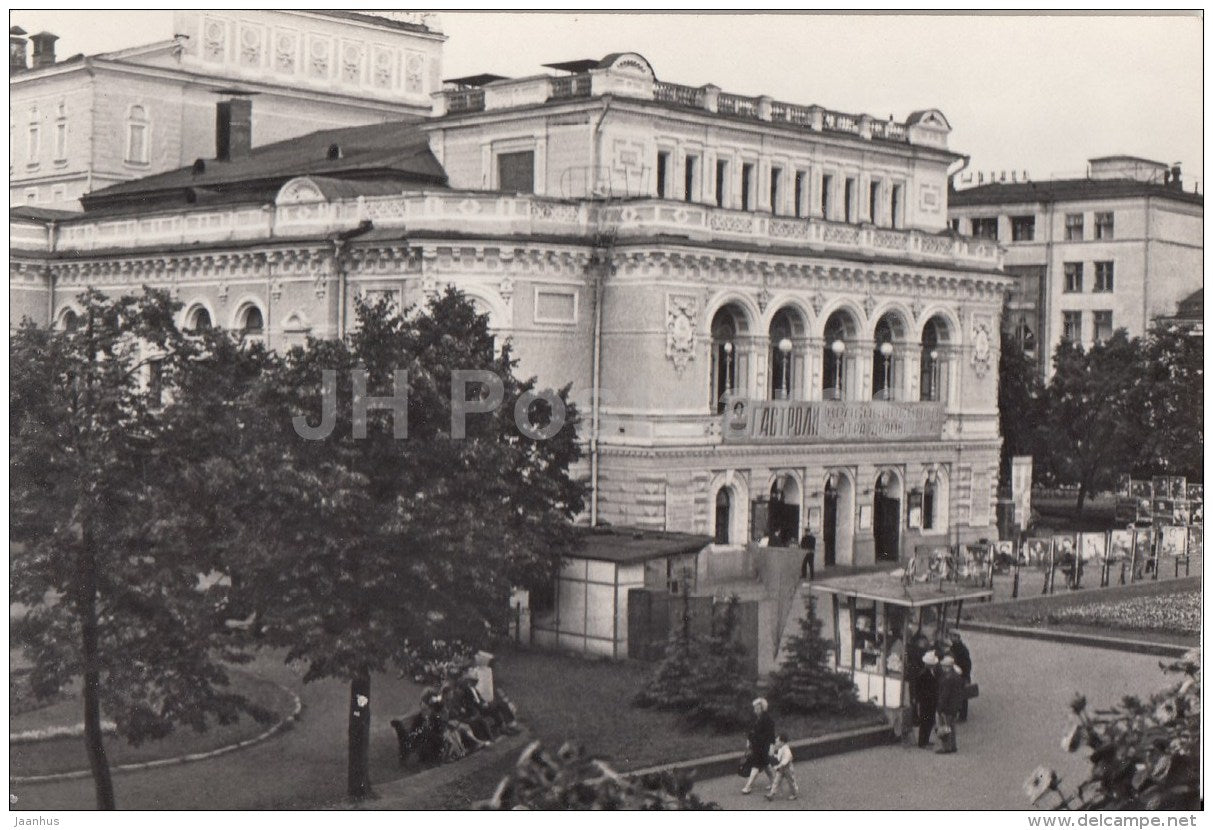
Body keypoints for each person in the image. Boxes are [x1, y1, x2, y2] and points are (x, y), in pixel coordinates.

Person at [741, 697, 776, 794]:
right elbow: (751, 731)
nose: (755, 710)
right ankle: (774, 782)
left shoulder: (768, 719)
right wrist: (748, 740)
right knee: (765, 765)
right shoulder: (756, 718)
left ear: (762, 708)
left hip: (763, 746)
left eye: (757, 708)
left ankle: (748, 786)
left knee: (756, 766)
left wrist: (772, 747)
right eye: (754, 708)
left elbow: (771, 735)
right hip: (756, 746)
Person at [935, 654, 965, 754]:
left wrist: (939, 708)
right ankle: (953, 746)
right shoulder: (957, 676)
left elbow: (944, 695)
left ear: (947, 667)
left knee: (945, 727)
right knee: (952, 726)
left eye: (944, 666)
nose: (942, 667)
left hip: (947, 707)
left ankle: (946, 748)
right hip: (955, 706)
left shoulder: (947, 679)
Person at [913, 651, 940, 749]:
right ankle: (922, 742)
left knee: (929, 721)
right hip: (926, 701)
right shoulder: (923, 674)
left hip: (929, 701)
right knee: (925, 722)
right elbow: (920, 689)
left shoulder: (928, 673)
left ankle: (925, 740)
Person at [765, 733, 799, 801]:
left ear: (782, 742)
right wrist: (774, 756)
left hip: (787, 768)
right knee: (776, 781)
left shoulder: (786, 750)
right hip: (781, 768)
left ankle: (794, 793)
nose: (776, 742)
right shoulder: (781, 749)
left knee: (790, 781)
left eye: (777, 741)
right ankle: (772, 794)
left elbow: (785, 760)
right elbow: (779, 757)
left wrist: (778, 766)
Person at [948, 630, 973, 722]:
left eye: (953, 636)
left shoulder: (961, 649)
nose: (951, 638)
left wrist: (964, 674)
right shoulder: (956, 647)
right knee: (958, 695)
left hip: (962, 675)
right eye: (951, 636)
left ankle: (963, 716)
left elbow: (966, 664)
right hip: (959, 674)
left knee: (962, 696)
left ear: (957, 637)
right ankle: (959, 713)